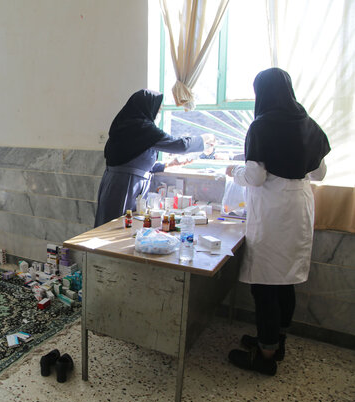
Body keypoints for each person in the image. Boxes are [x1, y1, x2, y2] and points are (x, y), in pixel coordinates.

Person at [225, 68, 330, 375]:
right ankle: (275, 340)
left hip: (274, 208)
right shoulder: (307, 122)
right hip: (300, 205)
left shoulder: (261, 125)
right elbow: (320, 173)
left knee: (265, 283)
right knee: (286, 279)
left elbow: (255, 178)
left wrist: (235, 172)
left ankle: (265, 357)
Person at [94, 89, 214, 227]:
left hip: (122, 183)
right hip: (124, 186)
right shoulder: (142, 128)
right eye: (158, 109)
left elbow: (133, 160)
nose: (158, 113)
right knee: (116, 226)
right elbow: (181, 145)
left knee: (124, 225)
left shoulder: (128, 126)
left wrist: (167, 165)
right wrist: (203, 139)